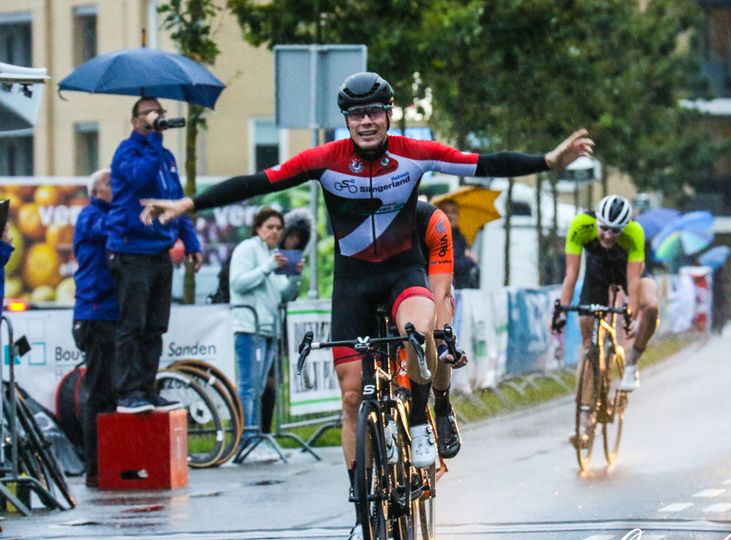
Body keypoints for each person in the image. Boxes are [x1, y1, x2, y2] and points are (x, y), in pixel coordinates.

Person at [140, 71, 593, 538]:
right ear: (347, 121)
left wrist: (548, 161)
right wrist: (188, 204)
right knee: (352, 392)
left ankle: (420, 418)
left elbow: (482, 163)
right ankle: (362, 496)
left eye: (374, 112)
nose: (366, 122)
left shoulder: (413, 154)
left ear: (389, 114)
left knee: (420, 335)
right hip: (353, 283)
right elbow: (257, 183)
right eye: (356, 115)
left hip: (403, 273)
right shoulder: (326, 160)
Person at [107, 96, 203, 414]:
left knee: (155, 326)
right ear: (135, 121)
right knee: (132, 324)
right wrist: (152, 139)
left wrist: (191, 243)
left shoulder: (167, 157)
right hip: (132, 251)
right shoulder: (127, 151)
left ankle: (147, 388)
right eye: (148, 111)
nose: (156, 115)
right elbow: (140, 178)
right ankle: (127, 391)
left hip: (160, 252)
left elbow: (176, 202)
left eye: (159, 110)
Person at [554, 195, 659, 404]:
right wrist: (562, 311)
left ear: (625, 227)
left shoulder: (635, 232)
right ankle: (585, 416)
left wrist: (633, 315)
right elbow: (572, 273)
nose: (609, 235)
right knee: (588, 342)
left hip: (626, 272)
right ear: (597, 222)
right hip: (597, 276)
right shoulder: (581, 224)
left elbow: (633, 279)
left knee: (652, 306)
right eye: (604, 228)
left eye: (616, 230)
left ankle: (631, 365)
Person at [230, 207, 303, 455]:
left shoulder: (273, 254)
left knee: (259, 389)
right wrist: (268, 267)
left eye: (278, 228)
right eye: (269, 226)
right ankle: (246, 440)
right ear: (258, 228)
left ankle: (254, 437)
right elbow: (237, 282)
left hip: (269, 329)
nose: (274, 231)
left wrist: (294, 276)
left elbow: (282, 293)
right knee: (249, 387)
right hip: (249, 328)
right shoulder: (247, 249)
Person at [71, 169, 118, 488]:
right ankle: (94, 467)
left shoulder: (101, 215)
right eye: (115, 185)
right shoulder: (90, 216)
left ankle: (107, 463)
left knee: (109, 393)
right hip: (95, 313)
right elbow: (113, 229)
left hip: (108, 313)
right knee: (98, 393)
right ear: (100, 189)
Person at [415, 200, 468, 458]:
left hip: (432, 280)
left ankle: (443, 406)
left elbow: (442, 291)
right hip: (394, 283)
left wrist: (444, 340)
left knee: (437, 338)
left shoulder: (431, 221)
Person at [259, 207, 313, 434]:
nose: (292, 242)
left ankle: (265, 432)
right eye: (289, 236)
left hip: (276, 328)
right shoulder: (262, 254)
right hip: (258, 325)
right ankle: (255, 433)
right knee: (259, 382)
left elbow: (285, 294)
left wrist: (296, 276)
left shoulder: (290, 261)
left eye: (297, 239)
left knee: (271, 383)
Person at [437, 199, 480, 289]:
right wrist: (471, 260)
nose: (450, 215)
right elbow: (450, 265)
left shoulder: (460, 237)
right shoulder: (438, 236)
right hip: (447, 289)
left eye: (454, 212)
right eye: (446, 211)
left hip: (462, 287)